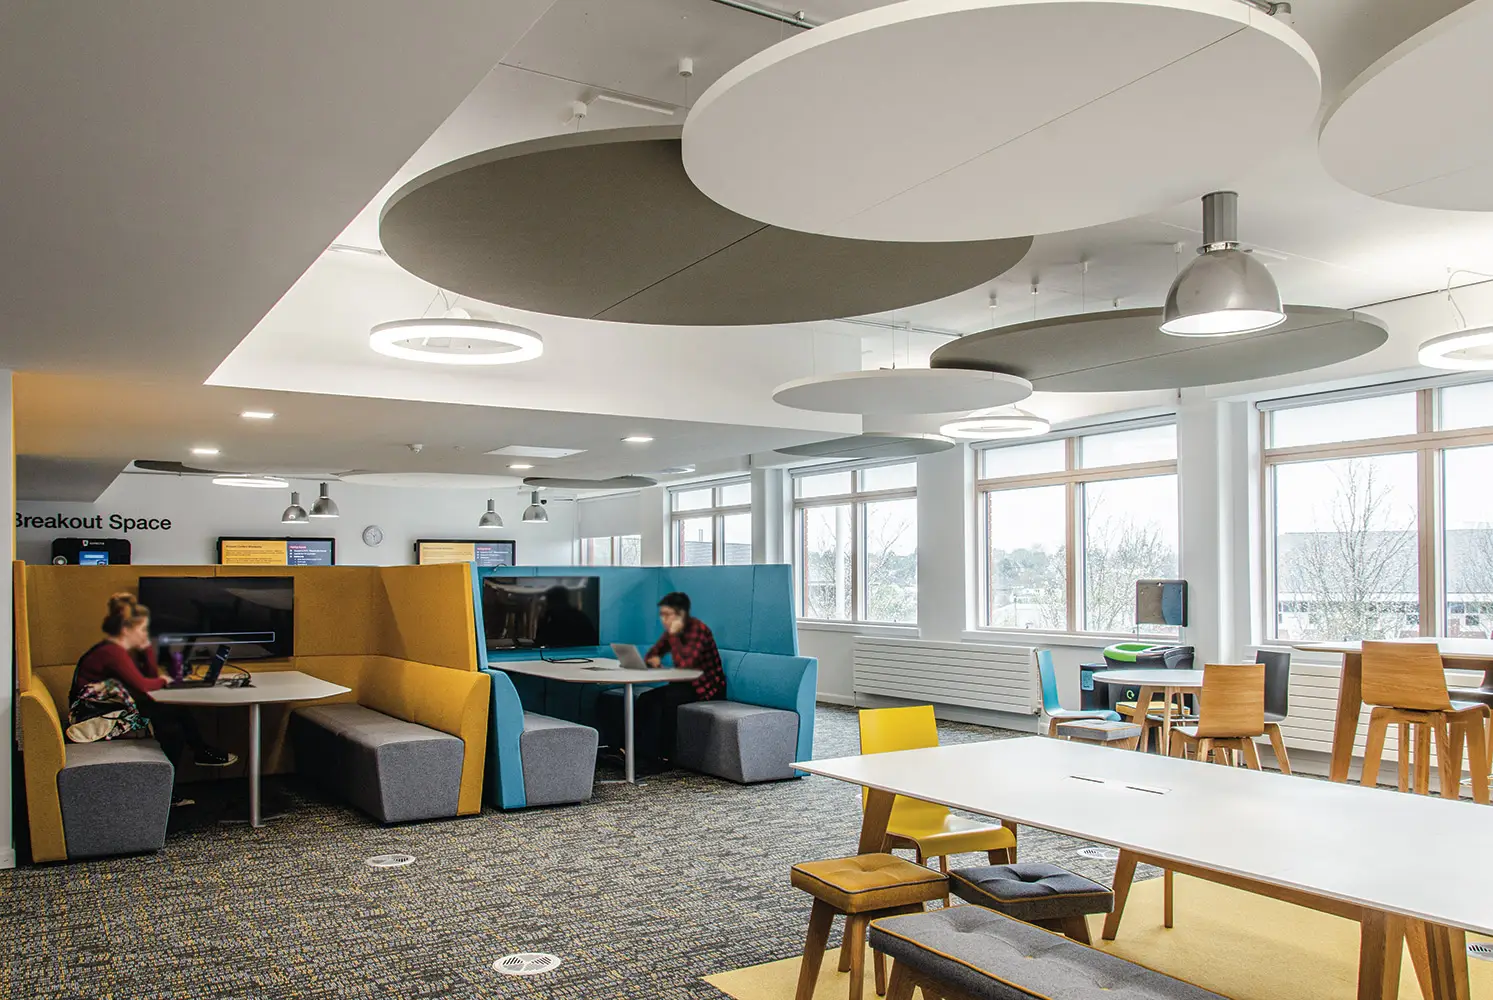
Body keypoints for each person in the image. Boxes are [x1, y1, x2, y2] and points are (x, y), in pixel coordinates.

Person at [70, 593, 237, 771]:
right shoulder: (112, 653)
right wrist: (162, 679)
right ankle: (177, 776)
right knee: (171, 728)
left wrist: (147, 650)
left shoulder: (117, 650)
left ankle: (199, 753)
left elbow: (149, 677)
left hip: (109, 707)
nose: (145, 635)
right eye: (142, 630)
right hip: (94, 715)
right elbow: (143, 685)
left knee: (175, 710)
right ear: (126, 630)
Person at [632, 591, 725, 765]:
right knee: (646, 699)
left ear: (681, 614)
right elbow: (653, 653)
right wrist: (653, 658)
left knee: (668, 701)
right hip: (684, 685)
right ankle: (637, 752)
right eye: (662, 614)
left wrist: (674, 637)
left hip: (706, 688)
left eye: (667, 614)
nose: (663, 619)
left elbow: (687, 664)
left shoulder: (699, 630)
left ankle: (666, 756)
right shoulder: (672, 631)